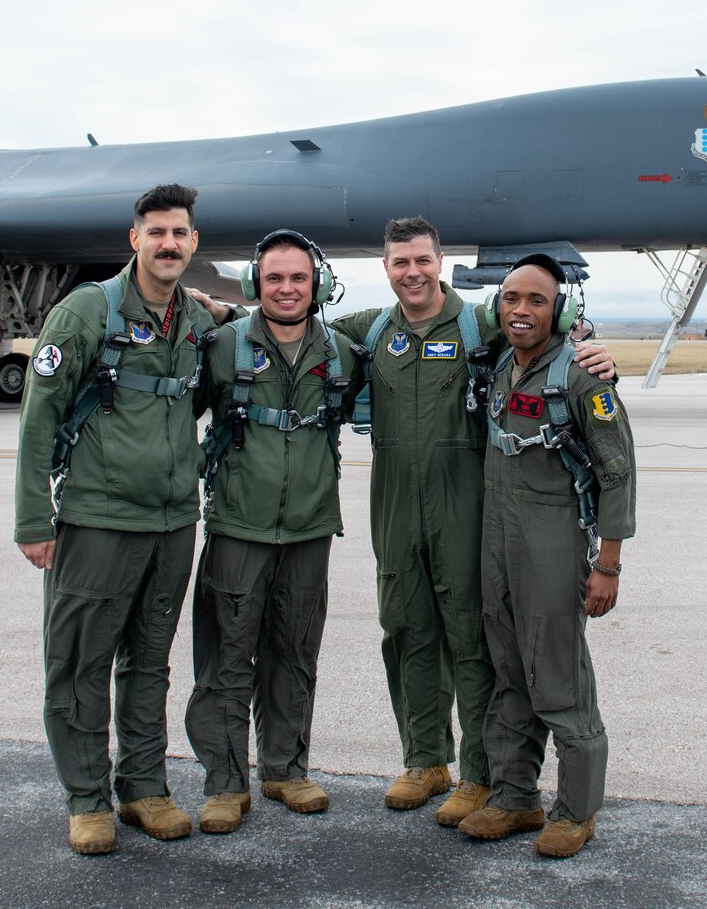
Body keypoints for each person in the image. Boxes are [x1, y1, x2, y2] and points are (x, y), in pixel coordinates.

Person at [325, 219, 615, 828]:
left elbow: (543, 326)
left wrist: (592, 344)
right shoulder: (371, 329)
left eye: (422, 260)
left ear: (439, 261)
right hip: (395, 501)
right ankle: (424, 759)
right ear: (386, 268)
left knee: (471, 639)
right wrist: (217, 310)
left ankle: (480, 774)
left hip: (467, 506)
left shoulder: (480, 322)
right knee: (403, 627)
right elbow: (291, 327)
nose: (412, 272)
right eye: (400, 261)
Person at [13, 183, 217, 856]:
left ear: (192, 242)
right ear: (135, 239)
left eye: (180, 233)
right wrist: (33, 518)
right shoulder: (85, 312)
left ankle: (144, 786)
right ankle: (86, 797)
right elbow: (38, 416)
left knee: (150, 663)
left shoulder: (195, 319)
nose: (169, 243)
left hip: (171, 522)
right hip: (97, 518)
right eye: (156, 232)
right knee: (79, 662)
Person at [456, 255, 635, 858]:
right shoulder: (501, 363)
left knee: (556, 672)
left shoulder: (584, 378)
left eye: (536, 300)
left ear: (560, 309)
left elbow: (618, 472)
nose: (521, 311)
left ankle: (577, 810)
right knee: (508, 669)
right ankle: (514, 796)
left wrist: (607, 565)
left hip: (554, 540)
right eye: (511, 299)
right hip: (498, 537)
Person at [183, 230, 355, 834]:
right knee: (227, 659)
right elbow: (173, 413)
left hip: (309, 532)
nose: (287, 289)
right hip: (238, 528)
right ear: (258, 284)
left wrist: (579, 348)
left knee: (295, 654)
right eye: (275, 278)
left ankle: (285, 768)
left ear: (318, 285)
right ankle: (225, 782)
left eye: (299, 278)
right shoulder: (222, 346)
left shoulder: (340, 353)